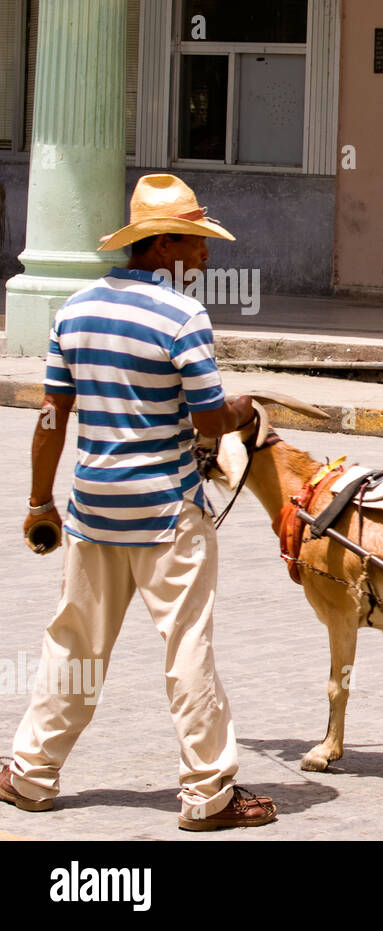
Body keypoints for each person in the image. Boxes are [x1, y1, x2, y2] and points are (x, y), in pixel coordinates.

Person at [0, 174, 276, 830]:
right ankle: (209, 795)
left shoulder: (76, 309)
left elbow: (50, 416)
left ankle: (31, 775)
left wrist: (41, 500)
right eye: (196, 241)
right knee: (187, 647)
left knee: (73, 644)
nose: (207, 254)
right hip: (167, 514)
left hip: (94, 511)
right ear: (161, 246)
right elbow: (210, 422)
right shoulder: (184, 317)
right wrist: (245, 407)